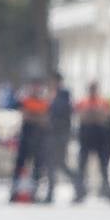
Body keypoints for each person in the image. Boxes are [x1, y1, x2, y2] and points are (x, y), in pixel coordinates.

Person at [73, 81, 110, 203]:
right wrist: (95, 114)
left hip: (100, 136)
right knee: (81, 166)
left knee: (104, 166)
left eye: (94, 88)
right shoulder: (82, 101)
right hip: (86, 136)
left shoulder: (103, 101)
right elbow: (80, 115)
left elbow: (107, 116)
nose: (92, 90)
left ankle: (108, 193)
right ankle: (79, 192)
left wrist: (93, 114)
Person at [10, 78, 50, 202]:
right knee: (19, 166)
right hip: (26, 138)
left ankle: (34, 192)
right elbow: (25, 115)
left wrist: (33, 116)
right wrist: (37, 116)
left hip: (39, 140)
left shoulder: (44, 102)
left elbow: (45, 120)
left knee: (38, 168)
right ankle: (15, 192)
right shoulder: (26, 101)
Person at [41, 72, 74, 203]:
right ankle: (50, 193)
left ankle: (79, 185)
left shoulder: (63, 96)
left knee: (59, 164)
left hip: (59, 135)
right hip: (53, 135)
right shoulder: (53, 96)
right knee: (53, 164)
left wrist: (49, 121)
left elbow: (60, 116)